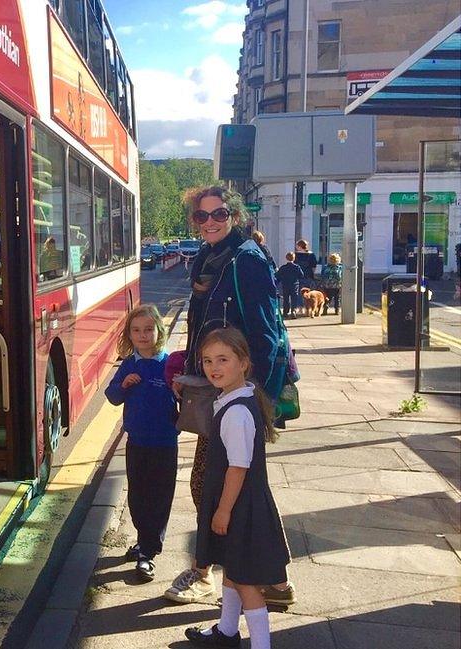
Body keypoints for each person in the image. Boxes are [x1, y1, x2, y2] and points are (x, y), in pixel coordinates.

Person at [166, 185, 295, 608]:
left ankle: (205, 571)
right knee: (242, 483)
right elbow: (206, 325)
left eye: (219, 214)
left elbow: (268, 336)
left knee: (210, 481)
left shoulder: (246, 261)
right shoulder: (209, 259)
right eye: (201, 217)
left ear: (234, 215)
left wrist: (257, 400)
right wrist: (187, 370)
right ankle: (272, 580)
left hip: (239, 394)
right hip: (218, 389)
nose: (211, 222)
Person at [184, 327, 290, 649]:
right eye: (207, 360)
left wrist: (223, 510)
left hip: (239, 507)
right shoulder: (236, 398)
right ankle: (227, 632)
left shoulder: (238, 412)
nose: (214, 367)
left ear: (243, 363)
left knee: (247, 585)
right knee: (233, 570)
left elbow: (238, 467)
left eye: (223, 359)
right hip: (242, 504)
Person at [104, 304, 178, 582]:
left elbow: (185, 399)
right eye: (136, 330)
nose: (143, 335)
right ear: (129, 334)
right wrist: (123, 386)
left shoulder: (168, 364)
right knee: (137, 496)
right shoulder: (129, 364)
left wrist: (180, 390)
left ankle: (148, 552)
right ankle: (143, 540)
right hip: (137, 442)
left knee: (159, 498)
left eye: (148, 329)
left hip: (164, 443)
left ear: (159, 330)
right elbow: (112, 396)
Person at [275, 252, 304, 319]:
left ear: (286, 258)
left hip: (285, 285)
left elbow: (278, 276)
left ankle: (285, 312)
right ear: (294, 258)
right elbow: (301, 275)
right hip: (294, 285)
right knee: (294, 298)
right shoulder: (297, 267)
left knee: (286, 298)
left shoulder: (283, 267)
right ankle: (293, 311)